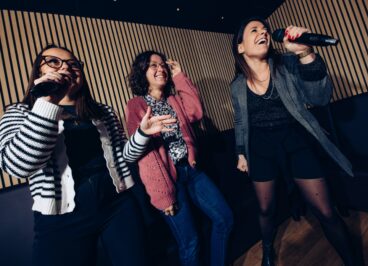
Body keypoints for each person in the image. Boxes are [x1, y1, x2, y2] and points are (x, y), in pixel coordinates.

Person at [0, 44, 176, 266]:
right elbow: (18, 166)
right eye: (54, 61)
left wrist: (142, 134)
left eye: (74, 64)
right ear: (39, 72)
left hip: (117, 204)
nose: (66, 67)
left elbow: (125, 157)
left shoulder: (103, 112)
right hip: (61, 217)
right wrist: (47, 101)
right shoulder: (20, 112)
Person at [230, 17, 357, 266]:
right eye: (254, 29)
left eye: (265, 28)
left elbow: (320, 97)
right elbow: (241, 122)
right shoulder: (236, 86)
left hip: (295, 140)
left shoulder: (288, 64)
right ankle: (268, 248)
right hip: (261, 147)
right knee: (266, 209)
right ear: (240, 47)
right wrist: (241, 153)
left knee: (325, 211)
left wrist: (306, 53)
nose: (263, 31)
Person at [124, 50, 234, 266]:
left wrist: (179, 76)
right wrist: (163, 196)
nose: (161, 68)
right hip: (168, 181)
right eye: (153, 65)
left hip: (192, 171)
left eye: (162, 64)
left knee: (225, 219)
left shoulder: (173, 100)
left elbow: (195, 112)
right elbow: (147, 157)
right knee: (190, 243)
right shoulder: (136, 105)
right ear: (141, 72)